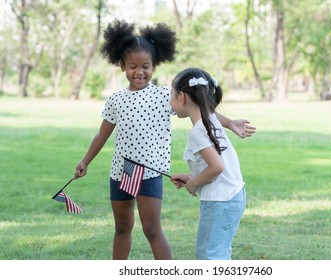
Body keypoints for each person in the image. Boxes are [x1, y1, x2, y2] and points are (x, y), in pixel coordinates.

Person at [73, 20, 255, 260]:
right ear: (121, 66)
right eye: (132, 66)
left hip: (150, 173)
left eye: (146, 66)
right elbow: (102, 134)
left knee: (151, 229)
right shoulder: (115, 100)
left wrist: (230, 123)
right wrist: (85, 161)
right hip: (121, 172)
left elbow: (200, 108)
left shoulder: (163, 96)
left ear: (154, 66)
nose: (139, 71)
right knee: (122, 227)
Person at [170, 67, 247, 260]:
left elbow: (217, 167)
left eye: (171, 95)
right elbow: (214, 168)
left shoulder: (198, 131)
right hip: (232, 196)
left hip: (221, 201)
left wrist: (194, 184)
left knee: (209, 256)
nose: (169, 101)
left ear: (182, 97)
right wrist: (191, 177)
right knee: (217, 253)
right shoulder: (210, 120)